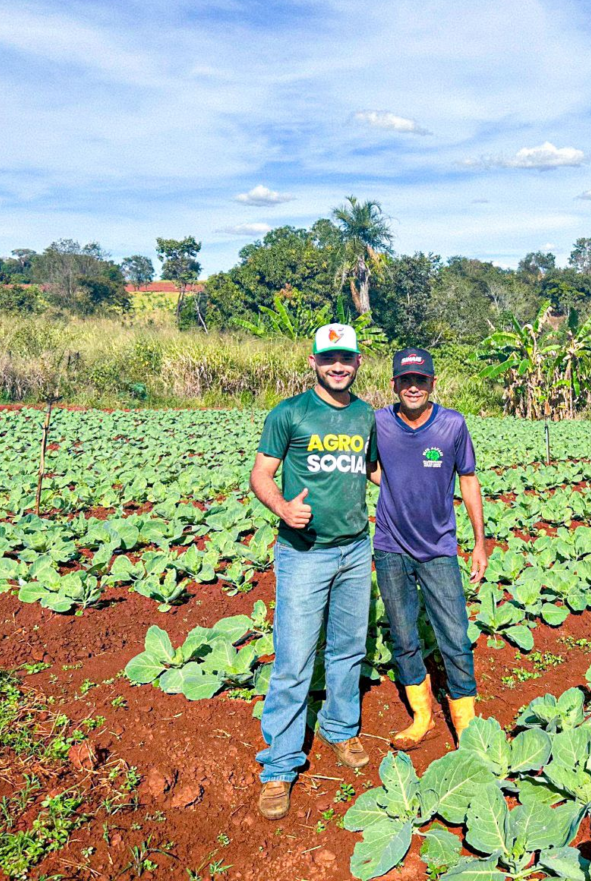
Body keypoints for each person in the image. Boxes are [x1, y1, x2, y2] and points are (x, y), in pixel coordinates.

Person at [248, 323, 378, 820]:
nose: (338, 366)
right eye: (329, 359)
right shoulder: (290, 413)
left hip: (353, 549)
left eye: (346, 358)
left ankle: (340, 729)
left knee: (348, 648)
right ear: (313, 362)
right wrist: (282, 508)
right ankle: (279, 765)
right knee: (294, 658)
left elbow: (371, 470)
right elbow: (262, 472)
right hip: (304, 553)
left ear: (358, 362)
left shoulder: (367, 415)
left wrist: (424, 474)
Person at [370, 347, 488, 750]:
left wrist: (479, 543)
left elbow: (468, 480)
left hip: (439, 549)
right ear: (394, 384)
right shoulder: (380, 422)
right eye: (406, 380)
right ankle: (422, 716)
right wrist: (393, 487)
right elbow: (370, 466)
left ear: (432, 383)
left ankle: (466, 725)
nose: (413, 387)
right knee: (403, 634)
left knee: (454, 633)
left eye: (421, 380)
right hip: (390, 547)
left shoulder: (452, 425)